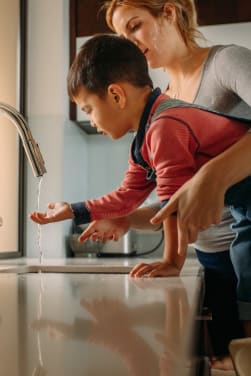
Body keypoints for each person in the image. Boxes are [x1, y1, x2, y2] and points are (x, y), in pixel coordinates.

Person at [29, 32, 251, 330]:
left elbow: (173, 205)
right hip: (243, 201)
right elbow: (126, 196)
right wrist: (72, 210)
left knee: (247, 266)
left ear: (116, 95)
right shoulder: (147, 135)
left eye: (89, 110)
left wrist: (172, 262)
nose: (92, 121)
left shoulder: (164, 126)